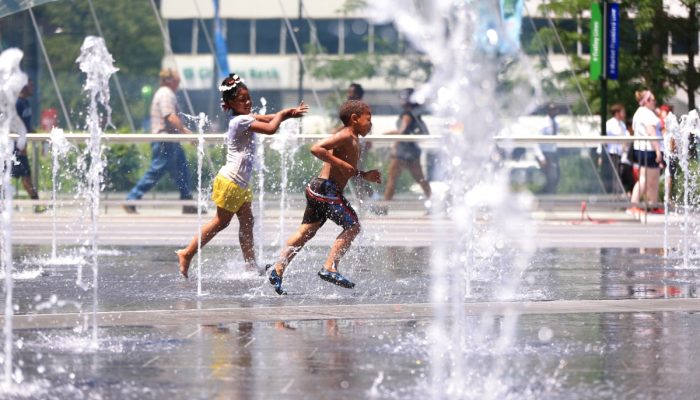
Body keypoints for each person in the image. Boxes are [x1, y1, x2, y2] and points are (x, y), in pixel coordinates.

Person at [176, 74, 308, 278]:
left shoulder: (243, 117)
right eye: (241, 100)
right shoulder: (239, 121)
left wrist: (289, 113)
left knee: (247, 221)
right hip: (231, 182)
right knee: (220, 222)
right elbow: (271, 128)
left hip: (240, 184)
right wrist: (283, 114)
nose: (247, 102)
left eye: (248, 97)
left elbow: (265, 118)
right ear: (230, 103)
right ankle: (187, 252)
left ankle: (250, 266)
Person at [267, 100, 381, 295]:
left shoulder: (353, 138)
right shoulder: (346, 135)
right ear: (354, 119)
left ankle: (277, 270)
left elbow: (347, 169)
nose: (371, 124)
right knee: (353, 226)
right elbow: (316, 148)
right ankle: (329, 267)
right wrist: (339, 163)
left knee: (306, 231)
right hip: (326, 189)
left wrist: (364, 175)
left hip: (319, 188)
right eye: (368, 119)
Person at [125, 68, 196, 214]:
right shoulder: (165, 93)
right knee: (156, 170)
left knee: (182, 170)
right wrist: (185, 132)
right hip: (165, 140)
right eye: (177, 80)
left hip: (170, 140)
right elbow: (169, 116)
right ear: (169, 80)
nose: (178, 83)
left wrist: (182, 132)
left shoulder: (166, 93)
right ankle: (131, 199)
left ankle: (187, 201)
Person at [383, 88, 432, 203]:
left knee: (392, 179)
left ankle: (383, 207)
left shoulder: (406, 115)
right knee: (420, 179)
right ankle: (433, 204)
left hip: (402, 152)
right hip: (413, 151)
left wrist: (393, 144)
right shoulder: (415, 115)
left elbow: (401, 131)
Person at [628, 89, 663, 215]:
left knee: (653, 179)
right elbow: (651, 132)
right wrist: (658, 151)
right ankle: (634, 204)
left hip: (643, 149)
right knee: (645, 179)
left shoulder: (640, 112)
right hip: (649, 149)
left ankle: (653, 205)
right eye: (653, 100)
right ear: (647, 101)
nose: (655, 102)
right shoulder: (647, 113)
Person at [13, 80, 44, 212]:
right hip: (15, 148)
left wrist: (38, 137)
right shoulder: (17, 104)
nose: (33, 88)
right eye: (30, 86)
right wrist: (19, 144)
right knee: (22, 177)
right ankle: (37, 205)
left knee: (26, 177)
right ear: (23, 87)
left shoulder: (26, 103)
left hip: (21, 147)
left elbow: (26, 126)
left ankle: (37, 205)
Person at [601, 103, 628, 193]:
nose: (624, 114)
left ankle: (617, 191)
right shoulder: (609, 124)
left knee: (619, 172)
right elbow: (604, 138)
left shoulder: (622, 125)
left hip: (620, 152)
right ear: (617, 113)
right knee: (615, 173)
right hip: (612, 152)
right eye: (622, 112)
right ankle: (615, 191)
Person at [535, 103, 559, 194]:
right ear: (549, 111)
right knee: (549, 178)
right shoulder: (543, 123)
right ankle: (543, 198)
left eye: (556, 109)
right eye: (553, 109)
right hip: (545, 154)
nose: (555, 112)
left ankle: (549, 199)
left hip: (553, 153)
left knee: (554, 178)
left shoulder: (556, 123)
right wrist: (541, 157)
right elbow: (536, 141)